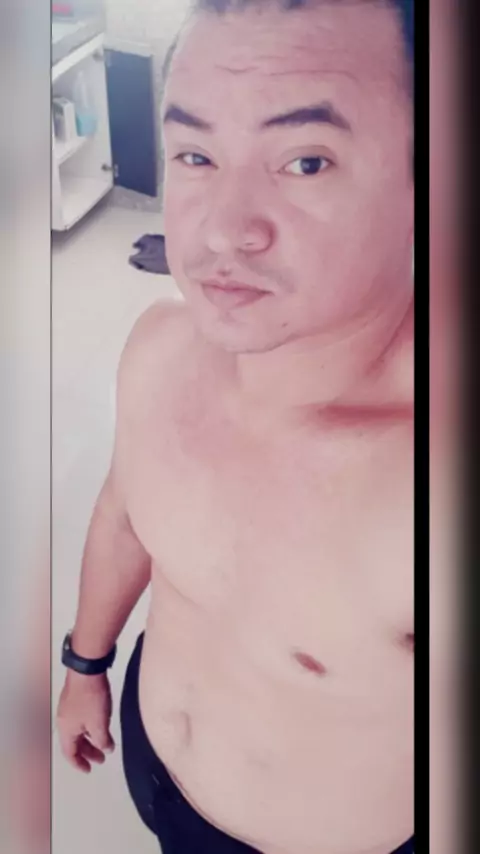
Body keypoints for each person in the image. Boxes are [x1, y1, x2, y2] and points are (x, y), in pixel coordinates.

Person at [56, 2, 415, 852]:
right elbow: (123, 514)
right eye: (196, 154)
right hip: (154, 764)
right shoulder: (158, 348)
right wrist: (86, 664)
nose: (221, 230)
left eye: (305, 161)